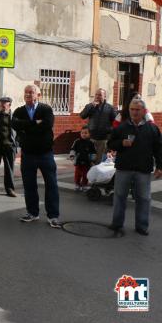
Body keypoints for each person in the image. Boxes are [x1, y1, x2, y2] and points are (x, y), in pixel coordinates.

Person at [107, 99, 162, 236]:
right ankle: (117, 224)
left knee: (143, 198)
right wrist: (121, 143)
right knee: (119, 196)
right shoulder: (122, 127)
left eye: (137, 110)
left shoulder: (152, 128)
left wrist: (160, 166)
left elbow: (159, 149)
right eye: (132, 109)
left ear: (144, 111)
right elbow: (110, 144)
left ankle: (142, 226)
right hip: (124, 168)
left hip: (143, 169)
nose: (134, 112)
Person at [12, 85, 61, 228]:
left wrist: (26, 128)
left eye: (31, 92)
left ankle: (53, 216)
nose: (28, 94)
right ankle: (32, 212)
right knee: (29, 185)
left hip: (45, 154)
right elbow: (15, 124)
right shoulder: (19, 111)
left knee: (51, 184)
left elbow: (47, 125)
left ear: (38, 95)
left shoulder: (46, 109)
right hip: (27, 154)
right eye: (26, 92)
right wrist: (34, 123)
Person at [79, 88, 116, 164]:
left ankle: (98, 175)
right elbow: (82, 116)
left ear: (105, 96)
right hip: (91, 138)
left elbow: (115, 122)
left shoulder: (110, 108)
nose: (97, 96)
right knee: (90, 160)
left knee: (100, 161)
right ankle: (89, 175)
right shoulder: (90, 106)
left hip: (103, 139)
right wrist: (90, 107)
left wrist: (111, 134)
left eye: (100, 95)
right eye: (96, 94)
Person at [69, 126, 97, 192]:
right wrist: (72, 155)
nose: (84, 134)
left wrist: (92, 160)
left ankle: (84, 185)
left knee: (85, 175)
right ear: (80, 133)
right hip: (78, 161)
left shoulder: (91, 143)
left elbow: (93, 152)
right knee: (77, 174)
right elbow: (73, 149)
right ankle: (77, 184)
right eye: (82, 133)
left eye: (86, 133)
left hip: (87, 162)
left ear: (89, 134)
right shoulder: (77, 141)